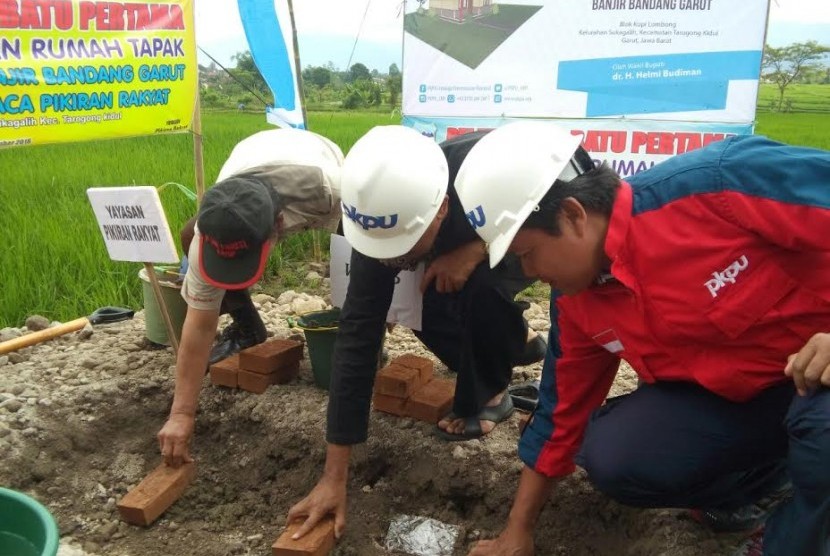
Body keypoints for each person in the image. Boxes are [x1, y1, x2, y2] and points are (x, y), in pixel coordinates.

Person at [449, 120, 830, 556]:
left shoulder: (719, 187)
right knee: (618, 456)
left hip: (819, 389)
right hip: (747, 404)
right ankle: (758, 488)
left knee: (823, 436)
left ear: (572, 215)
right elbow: (562, 412)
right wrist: (517, 531)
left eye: (526, 254)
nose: (530, 273)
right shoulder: (578, 299)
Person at [287, 125, 550, 539]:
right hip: (450, 232)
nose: (394, 261)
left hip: (510, 222)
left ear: (441, 209)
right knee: (422, 293)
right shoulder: (381, 217)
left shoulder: (488, 169)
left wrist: (476, 248)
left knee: (481, 286)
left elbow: (549, 203)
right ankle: (515, 340)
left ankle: (492, 393)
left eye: (403, 249)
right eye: (384, 252)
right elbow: (358, 335)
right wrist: (333, 476)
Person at [157, 128, 343, 467]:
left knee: (353, 259)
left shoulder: (329, 190)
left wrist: (369, 312)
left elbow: (365, 245)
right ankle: (248, 329)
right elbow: (198, 327)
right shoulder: (210, 230)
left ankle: (356, 337)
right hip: (249, 158)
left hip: (315, 158)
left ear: (278, 226)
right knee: (188, 245)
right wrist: (181, 413)